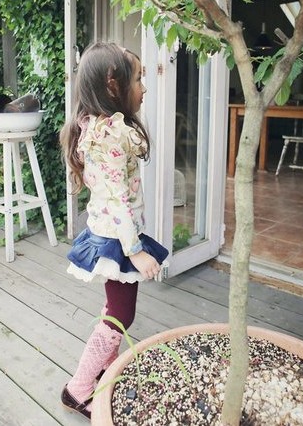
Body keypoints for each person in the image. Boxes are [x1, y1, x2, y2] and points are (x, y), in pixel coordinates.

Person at [58, 42, 169, 419]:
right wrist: (135, 250)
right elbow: (118, 200)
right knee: (120, 315)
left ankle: (107, 370)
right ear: (112, 85)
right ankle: (78, 388)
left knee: (116, 309)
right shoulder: (110, 137)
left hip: (114, 232)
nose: (144, 87)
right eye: (138, 79)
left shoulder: (102, 129)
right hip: (118, 238)